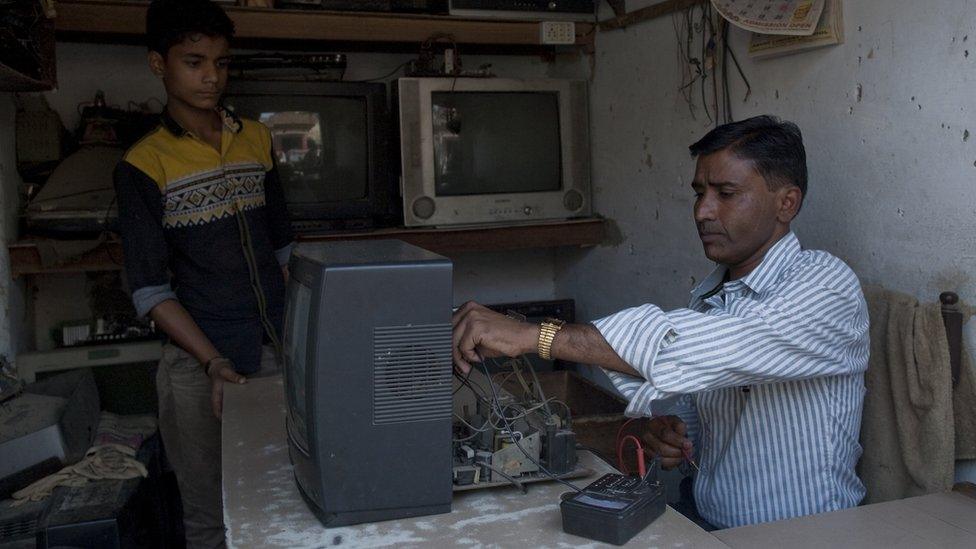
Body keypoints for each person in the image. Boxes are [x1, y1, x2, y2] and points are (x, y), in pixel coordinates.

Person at [452, 115, 869, 529]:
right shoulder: (711, 297)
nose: (703, 212)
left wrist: (536, 335)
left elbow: (706, 348)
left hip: (803, 535)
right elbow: (701, 392)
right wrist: (670, 436)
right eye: (699, 193)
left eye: (726, 193)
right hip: (707, 522)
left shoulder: (826, 286)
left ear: (786, 203)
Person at [113, 1, 293, 547]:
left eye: (220, 62)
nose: (210, 76)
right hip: (198, 370)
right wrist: (212, 361)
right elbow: (150, 289)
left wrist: (297, 340)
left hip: (269, 352)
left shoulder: (255, 140)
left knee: (277, 499)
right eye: (193, 61)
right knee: (211, 516)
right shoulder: (145, 163)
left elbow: (283, 250)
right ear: (157, 64)